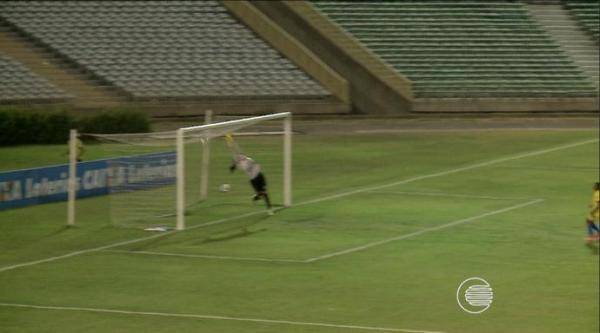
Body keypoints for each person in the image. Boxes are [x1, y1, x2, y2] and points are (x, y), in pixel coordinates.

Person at [225, 134, 273, 215]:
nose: (240, 156)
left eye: (241, 156)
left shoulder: (247, 159)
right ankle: (257, 196)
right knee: (262, 193)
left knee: (264, 193)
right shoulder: (241, 165)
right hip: (254, 180)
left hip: (260, 176)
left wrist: (231, 140)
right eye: (239, 157)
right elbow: (236, 161)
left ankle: (269, 208)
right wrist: (233, 166)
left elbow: (236, 149)